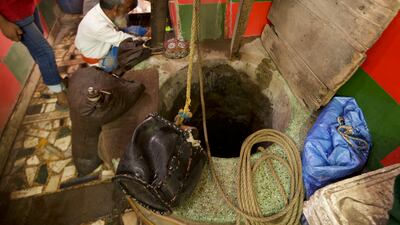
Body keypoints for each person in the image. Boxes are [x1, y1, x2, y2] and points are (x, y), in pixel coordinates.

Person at [0, 0, 68, 108]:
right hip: (13, 14)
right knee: (45, 53)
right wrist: (2, 23)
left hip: (27, 7)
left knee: (39, 50)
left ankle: (57, 82)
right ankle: (61, 98)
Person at [75, 0, 149, 73]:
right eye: (128, 8)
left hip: (104, 43)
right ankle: (107, 70)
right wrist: (146, 38)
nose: (129, 10)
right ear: (116, 9)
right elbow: (124, 40)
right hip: (101, 59)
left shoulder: (103, 10)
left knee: (139, 31)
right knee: (133, 50)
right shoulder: (98, 26)